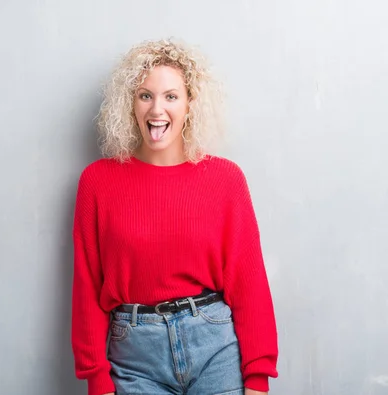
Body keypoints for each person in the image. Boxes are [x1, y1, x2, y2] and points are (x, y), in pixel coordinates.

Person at [71, 38, 278, 395]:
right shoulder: (98, 182)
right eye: (145, 95)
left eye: (171, 96)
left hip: (215, 349)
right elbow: (87, 284)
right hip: (135, 358)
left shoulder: (225, 179)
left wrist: (258, 377)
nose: (157, 110)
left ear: (189, 105)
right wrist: (96, 379)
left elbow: (249, 282)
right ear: (130, 104)